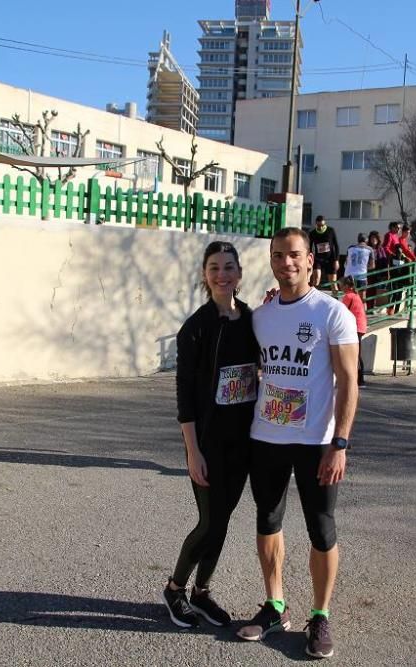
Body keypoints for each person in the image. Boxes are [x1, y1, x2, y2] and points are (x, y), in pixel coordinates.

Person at [237, 227, 359, 660]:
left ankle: (320, 614)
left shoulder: (332, 313)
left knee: (321, 529)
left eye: (294, 255)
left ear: (311, 260)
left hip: (316, 444)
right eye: (277, 255)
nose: (285, 262)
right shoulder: (261, 316)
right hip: (266, 438)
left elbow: (348, 382)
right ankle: (274, 606)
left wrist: (339, 442)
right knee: (267, 522)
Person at [163, 241, 259, 629]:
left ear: (239, 273)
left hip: (243, 442)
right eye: (214, 267)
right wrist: (192, 451)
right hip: (207, 443)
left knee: (223, 519)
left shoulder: (253, 319)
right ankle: (174, 588)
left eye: (229, 267)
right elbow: (185, 396)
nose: (222, 274)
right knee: (208, 521)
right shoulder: (196, 328)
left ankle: (202, 592)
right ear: (205, 274)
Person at [339, 276, 367, 387]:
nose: (340, 287)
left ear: (347, 286)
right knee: (356, 354)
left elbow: (341, 312)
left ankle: (360, 380)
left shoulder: (348, 296)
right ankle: (358, 380)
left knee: (355, 355)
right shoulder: (355, 295)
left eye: (341, 285)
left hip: (355, 328)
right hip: (360, 327)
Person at [309, 216, 339, 288]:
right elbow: (309, 247)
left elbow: (336, 245)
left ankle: (335, 298)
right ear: (316, 224)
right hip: (318, 259)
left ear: (325, 224)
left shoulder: (330, 230)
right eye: (319, 225)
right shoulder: (312, 233)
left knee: (333, 282)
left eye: (322, 225)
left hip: (330, 259)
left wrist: (336, 260)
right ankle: (313, 297)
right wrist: (310, 259)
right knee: (316, 280)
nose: (320, 227)